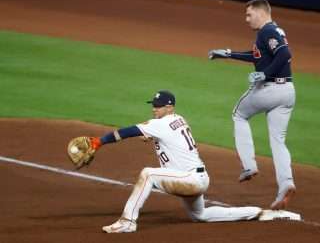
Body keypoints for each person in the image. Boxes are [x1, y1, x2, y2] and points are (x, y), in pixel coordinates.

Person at [82, 90, 291, 233]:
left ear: (169, 107)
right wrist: (152, 136)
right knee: (199, 215)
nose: (155, 108)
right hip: (195, 177)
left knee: (148, 173)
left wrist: (100, 141)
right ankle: (256, 212)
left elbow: (128, 132)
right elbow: (163, 135)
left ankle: (127, 222)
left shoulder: (160, 124)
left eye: (159, 105)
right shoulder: (177, 120)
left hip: (191, 179)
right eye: (153, 105)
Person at [208, 0, 296, 210]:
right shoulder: (271, 32)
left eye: (249, 15)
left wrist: (265, 74)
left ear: (261, 12)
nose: (246, 19)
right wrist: (229, 54)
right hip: (288, 92)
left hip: (270, 89)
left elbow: (285, 54)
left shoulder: (266, 31)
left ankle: (248, 165)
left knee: (239, 114)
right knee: (278, 141)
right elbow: (257, 56)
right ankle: (286, 184)